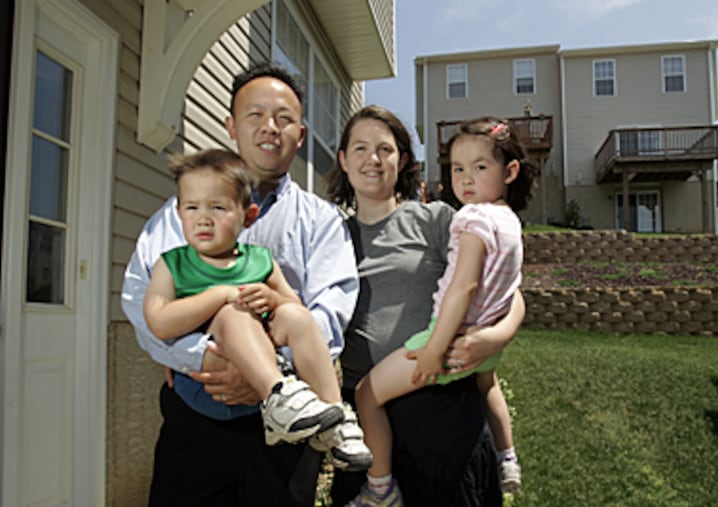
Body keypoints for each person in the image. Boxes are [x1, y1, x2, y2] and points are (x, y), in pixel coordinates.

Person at [121, 62, 359, 506]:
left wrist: (269, 375)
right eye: (255, 115)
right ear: (231, 125)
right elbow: (140, 301)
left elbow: (330, 312)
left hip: (289, 432)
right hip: (197, 417)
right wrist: (206, 362)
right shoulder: (181, 212)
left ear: (301, 135)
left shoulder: (322, 222)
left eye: (284, 118)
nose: (270, 128)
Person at [326, 105, 527, 507]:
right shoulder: (330, 236)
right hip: (367, 415)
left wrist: (494, 338)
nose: (373, 159)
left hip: (442, 414)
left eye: (384, 149)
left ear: (401, 160)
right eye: (360, 148)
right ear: (344, 160)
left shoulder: (438, 220)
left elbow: (506, 290)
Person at [142, 148, 372, 470]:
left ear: (248, 216)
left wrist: (273, 299)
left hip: (259, 387)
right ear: (179, 213)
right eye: (192, 207)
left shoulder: (260, 260)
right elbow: (159, 322)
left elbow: (295, 310)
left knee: (296, 315)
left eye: (218, 208)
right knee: (232, 311)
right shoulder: (172, 265)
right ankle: (278, 396)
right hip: (206, 389)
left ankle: (335, 418)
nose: (204, 218)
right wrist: (221, 295)